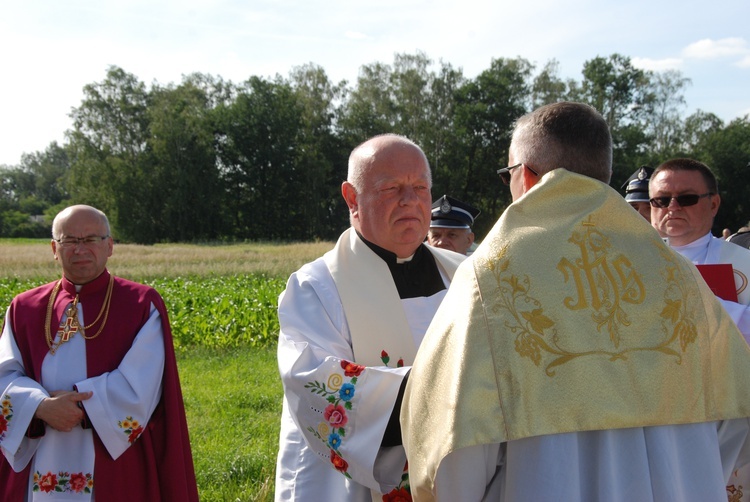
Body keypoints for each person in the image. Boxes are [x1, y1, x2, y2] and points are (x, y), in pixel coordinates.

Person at [401, 102, 750, 502]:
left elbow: (451, 448)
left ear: (527, 177)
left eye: (507, 175)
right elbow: (735, 416)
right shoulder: (679, 276)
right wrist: (683, 475)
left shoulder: (491, 278)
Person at [274, 134, 465, 501]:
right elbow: (317, 384)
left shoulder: (465, 275)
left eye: (420, 187)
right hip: (350, 486)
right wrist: (458, 392)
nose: (409, 200)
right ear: (352, 198)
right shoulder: (317, 288)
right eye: (391, 188)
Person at [0, 205, 198, 501]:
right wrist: (40, 407)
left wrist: (78, 409)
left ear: (109, 246)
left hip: (112, 461)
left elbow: (141, 385)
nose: (80, 250)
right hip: (39, 454)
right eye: (69, 241)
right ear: (55, 248)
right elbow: (5, 374)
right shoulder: (24, 308)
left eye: (91, 239)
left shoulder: (141, 305)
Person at [649, 159, 750, 497]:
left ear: (714, 203)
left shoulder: (744, 265)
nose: (672, 207)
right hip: (656, 413)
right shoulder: (631, 266)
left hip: (730, 414)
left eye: (686, 198)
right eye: (661, 200)